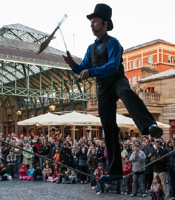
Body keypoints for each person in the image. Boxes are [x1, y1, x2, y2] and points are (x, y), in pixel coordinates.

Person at [62, 3, 163, 182]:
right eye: (91, 22)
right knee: (108, 127)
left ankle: (149, 126)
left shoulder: (113, 42)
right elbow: (82, 68)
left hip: (116, 80)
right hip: (103, 88)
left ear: (105, 23)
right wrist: (72, 64)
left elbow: (112, 66)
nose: (91, 25)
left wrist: (91, 72)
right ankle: (115, 171)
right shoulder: (91, 49)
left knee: (126, 93)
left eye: (94, 21)